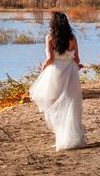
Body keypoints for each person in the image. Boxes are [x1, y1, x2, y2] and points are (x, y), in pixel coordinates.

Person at [29, 11, 87, 150]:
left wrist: (43, 68)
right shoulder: (72, 38)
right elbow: (77, 58)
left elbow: (50, 59)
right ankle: (73, 138)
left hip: (55, 73)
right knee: (71, 104)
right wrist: (78, 66)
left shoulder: (50, 37)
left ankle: (61, 138)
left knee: (54, 104)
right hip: (71, 72)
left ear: (53, 23)